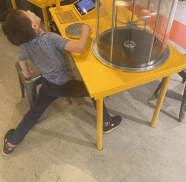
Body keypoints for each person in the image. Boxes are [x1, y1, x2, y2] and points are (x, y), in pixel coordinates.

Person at [2, 9, 122, 155]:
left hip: (48, 85)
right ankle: (107, 123)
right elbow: (79, 48)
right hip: (64, 85)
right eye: (27, 12)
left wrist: (27, 73)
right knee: (95, 91)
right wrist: (85, 31)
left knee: (34, 113)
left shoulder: (25, 45)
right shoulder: (50, 38)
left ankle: (11, 142)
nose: (29, 10)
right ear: (34, 25)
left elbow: (21, 60)